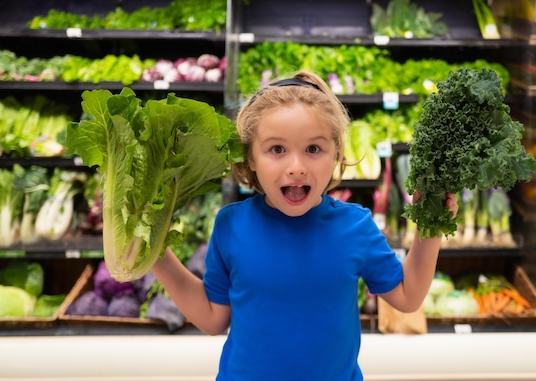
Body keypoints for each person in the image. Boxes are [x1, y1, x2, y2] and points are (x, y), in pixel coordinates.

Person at [151, 70, 458, 380]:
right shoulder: (231, 224)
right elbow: (213, 319)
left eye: (313, 149)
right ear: (251, 157)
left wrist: (431, 223)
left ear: (336, 152)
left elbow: (408, 296)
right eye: (277, 149)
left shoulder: (355, 226)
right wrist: (155, 253)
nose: (296, 168)